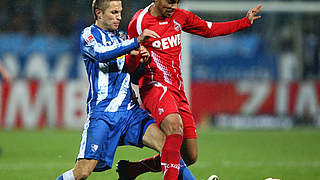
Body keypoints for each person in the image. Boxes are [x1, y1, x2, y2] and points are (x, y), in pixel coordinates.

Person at [116, 0, 262, 179]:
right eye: (170, 2)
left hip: (177, 89)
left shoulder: (180, 17)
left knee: (189, 155)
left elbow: (209, 29)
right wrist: (139, 59)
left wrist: (244, 22)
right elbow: (130, 65)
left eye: (177, 2)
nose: (174, 7)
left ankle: (133, 169)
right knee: (174, 127)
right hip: (154, 85)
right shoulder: (139, 22)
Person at [55, 0, 178, 179]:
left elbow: (134, 76)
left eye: (120, 12)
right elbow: (101, 54)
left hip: (130, 112)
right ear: (99, 13)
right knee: (82, 172)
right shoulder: (88, 35)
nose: (119, 17)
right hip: (103, 113)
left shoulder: (122, 37)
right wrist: (135, 43)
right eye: (113, 12)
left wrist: (141, 61)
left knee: (169, 149)